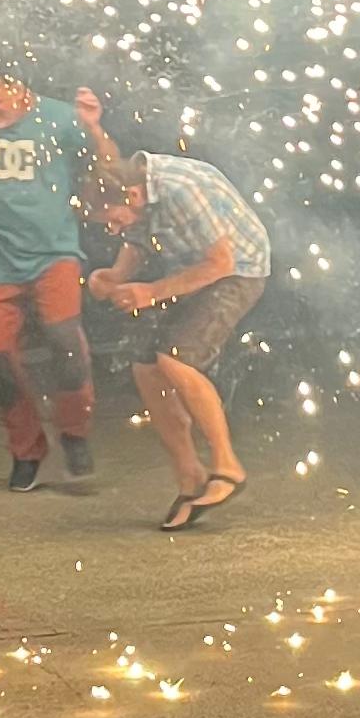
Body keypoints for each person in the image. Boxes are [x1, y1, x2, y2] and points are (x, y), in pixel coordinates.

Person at [88, 145, 268, 529]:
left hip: (239, 269)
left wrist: (151, 292)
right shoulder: (132, 190)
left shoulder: (179, 190)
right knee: (146, 367)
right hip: (192, 267)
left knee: (176, 358)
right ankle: (190, 476)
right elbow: (137, 240)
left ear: (133, 196)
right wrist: (115, 277)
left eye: (113, 220)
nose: (112, 228)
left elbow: (221, 262)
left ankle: (227, 466)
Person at [0, 68, 99, 489]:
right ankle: (26, 450)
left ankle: (75, 431)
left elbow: (106, 161)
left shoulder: (60, 117)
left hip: (53, 252)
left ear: (23, 91)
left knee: (64, 341)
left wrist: (95, 128)